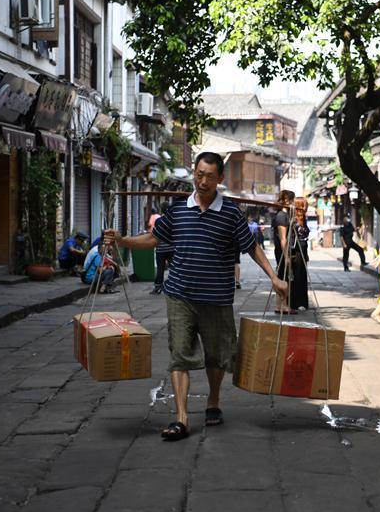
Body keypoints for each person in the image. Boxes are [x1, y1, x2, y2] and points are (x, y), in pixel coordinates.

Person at [104, 152, 288, 442]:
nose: (203, 181)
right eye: (199, 175)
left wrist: (274, 278)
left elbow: (252, 248)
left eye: (209, 177)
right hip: (180, 295)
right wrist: (123, 241)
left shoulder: (230, 214)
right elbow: (154, 238)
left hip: (216, 297)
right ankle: (181, 417)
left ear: (220, 179)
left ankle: (213, 401)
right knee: (180, 355)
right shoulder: (178, 210)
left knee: (217, 357)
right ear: (194, 173)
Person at [271, 190, 296, 313]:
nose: (294, 203)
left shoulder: (285, 215)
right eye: (292, 200)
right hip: (282, 252)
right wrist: (286, 256)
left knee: (282, 277)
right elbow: (283, 238)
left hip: (283, 251)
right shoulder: (281, 216)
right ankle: (283, 305)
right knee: (283, 278)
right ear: (287, 200)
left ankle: (280, 305)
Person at [288, 197, 311, 310]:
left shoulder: (303, 219)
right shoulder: (293, 219)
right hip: (296, 250)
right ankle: (295, 302)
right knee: (296, 276)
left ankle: (302, 302)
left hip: (303, 249)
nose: (307, 207)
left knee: (302, 276)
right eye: (305, 205)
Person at [152, 202, 174, 295]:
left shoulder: (158, 221)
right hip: (171, 248)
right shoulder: (173, 220)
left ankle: (158, 287)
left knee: (160, 268)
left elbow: (155, 234)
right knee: (173, 268)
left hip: (160, 249)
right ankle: (173, 286)